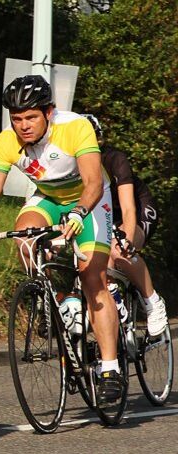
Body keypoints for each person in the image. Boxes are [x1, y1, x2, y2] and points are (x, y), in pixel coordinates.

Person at [0, 75, 124, 402]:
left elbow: (93, 181)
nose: (23, 126)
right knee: (25, 239)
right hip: (49, 198)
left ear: (49, 112)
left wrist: (79, 213)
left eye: (31, 117)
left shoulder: (75, 128)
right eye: (17, 118)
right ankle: (64, 302)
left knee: (93, 276)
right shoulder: (6, 141)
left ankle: (110, 367)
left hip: (89, 198)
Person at [83, 114, 168, 336]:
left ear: (99, 140)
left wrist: (127, 239)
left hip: (136, 210)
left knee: (119, 251)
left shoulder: (114, 159)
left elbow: (129, 208)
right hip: (104, 215)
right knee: (92, 260)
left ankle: (153, 301)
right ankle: (114, 298)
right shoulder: (71, 167)